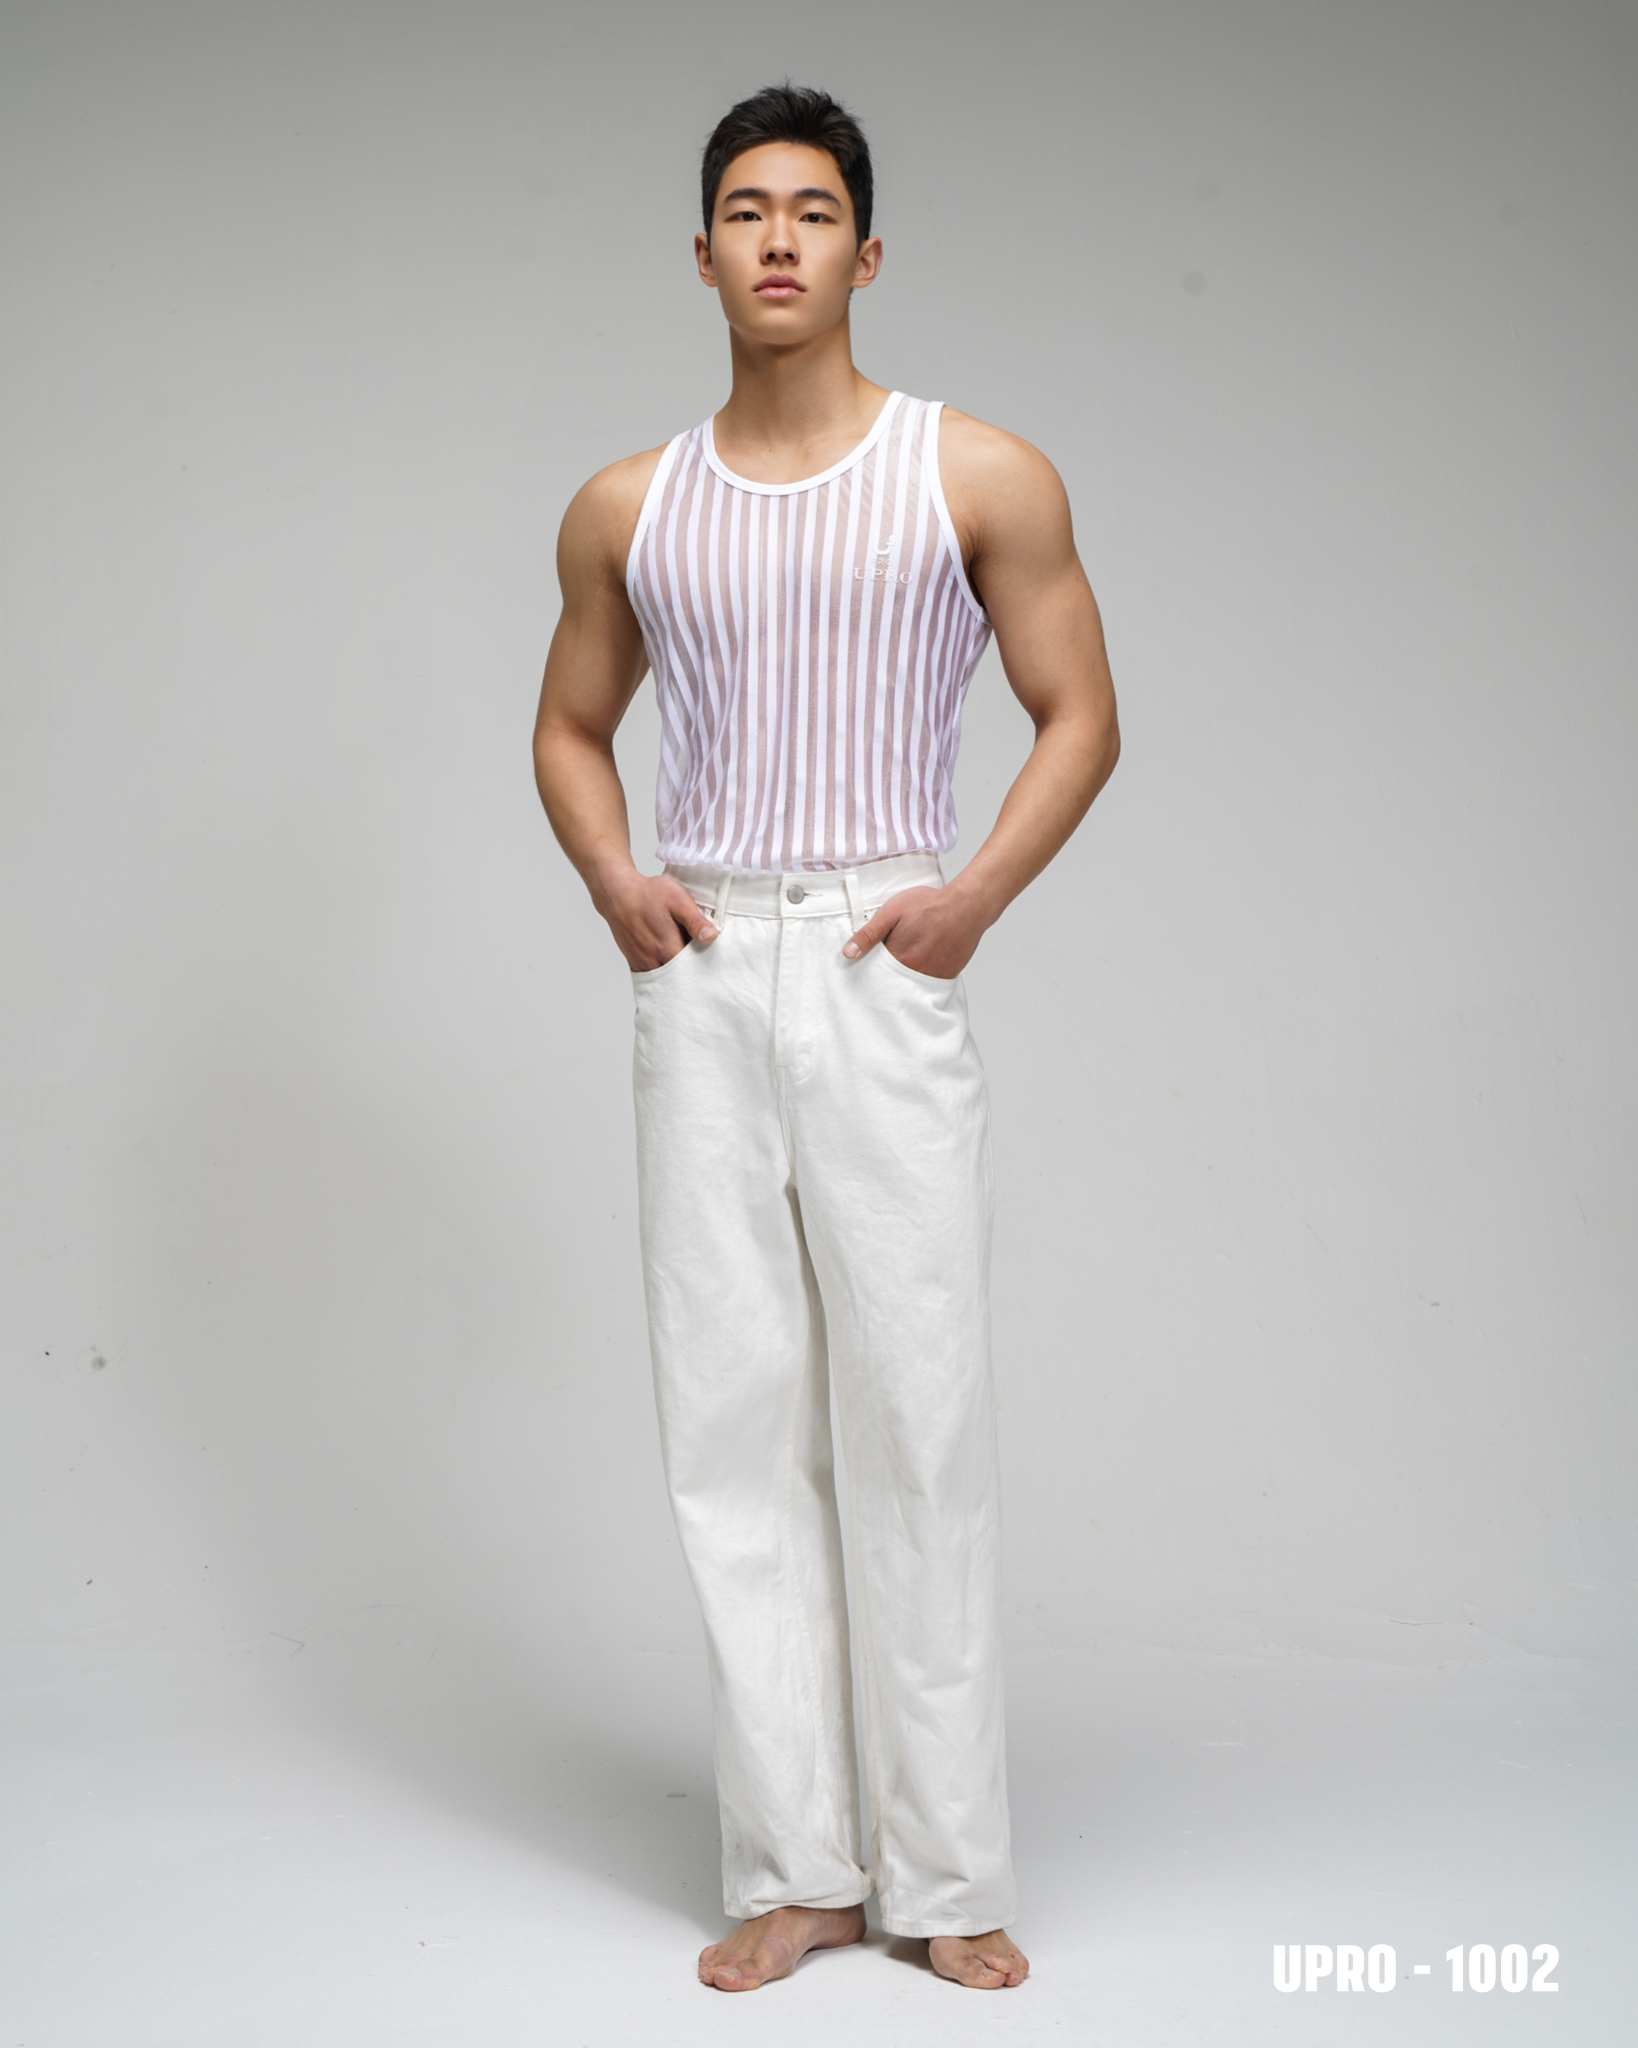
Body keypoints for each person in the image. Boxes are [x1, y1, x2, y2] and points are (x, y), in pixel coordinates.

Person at [533, 83, 1119, 1994]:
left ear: (865, 253)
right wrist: (616, 882)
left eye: (808, 211)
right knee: (730, 1426)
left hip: (879, 952)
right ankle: (797, 1866)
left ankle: (945, 1875)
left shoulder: (978, 471)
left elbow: (1079, 713)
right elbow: (569, 725)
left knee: (914, 1420)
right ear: (700, 253)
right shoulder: (630, 504)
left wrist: (969, 903)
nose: (775, 238)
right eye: (742, 209)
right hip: (706, 966)